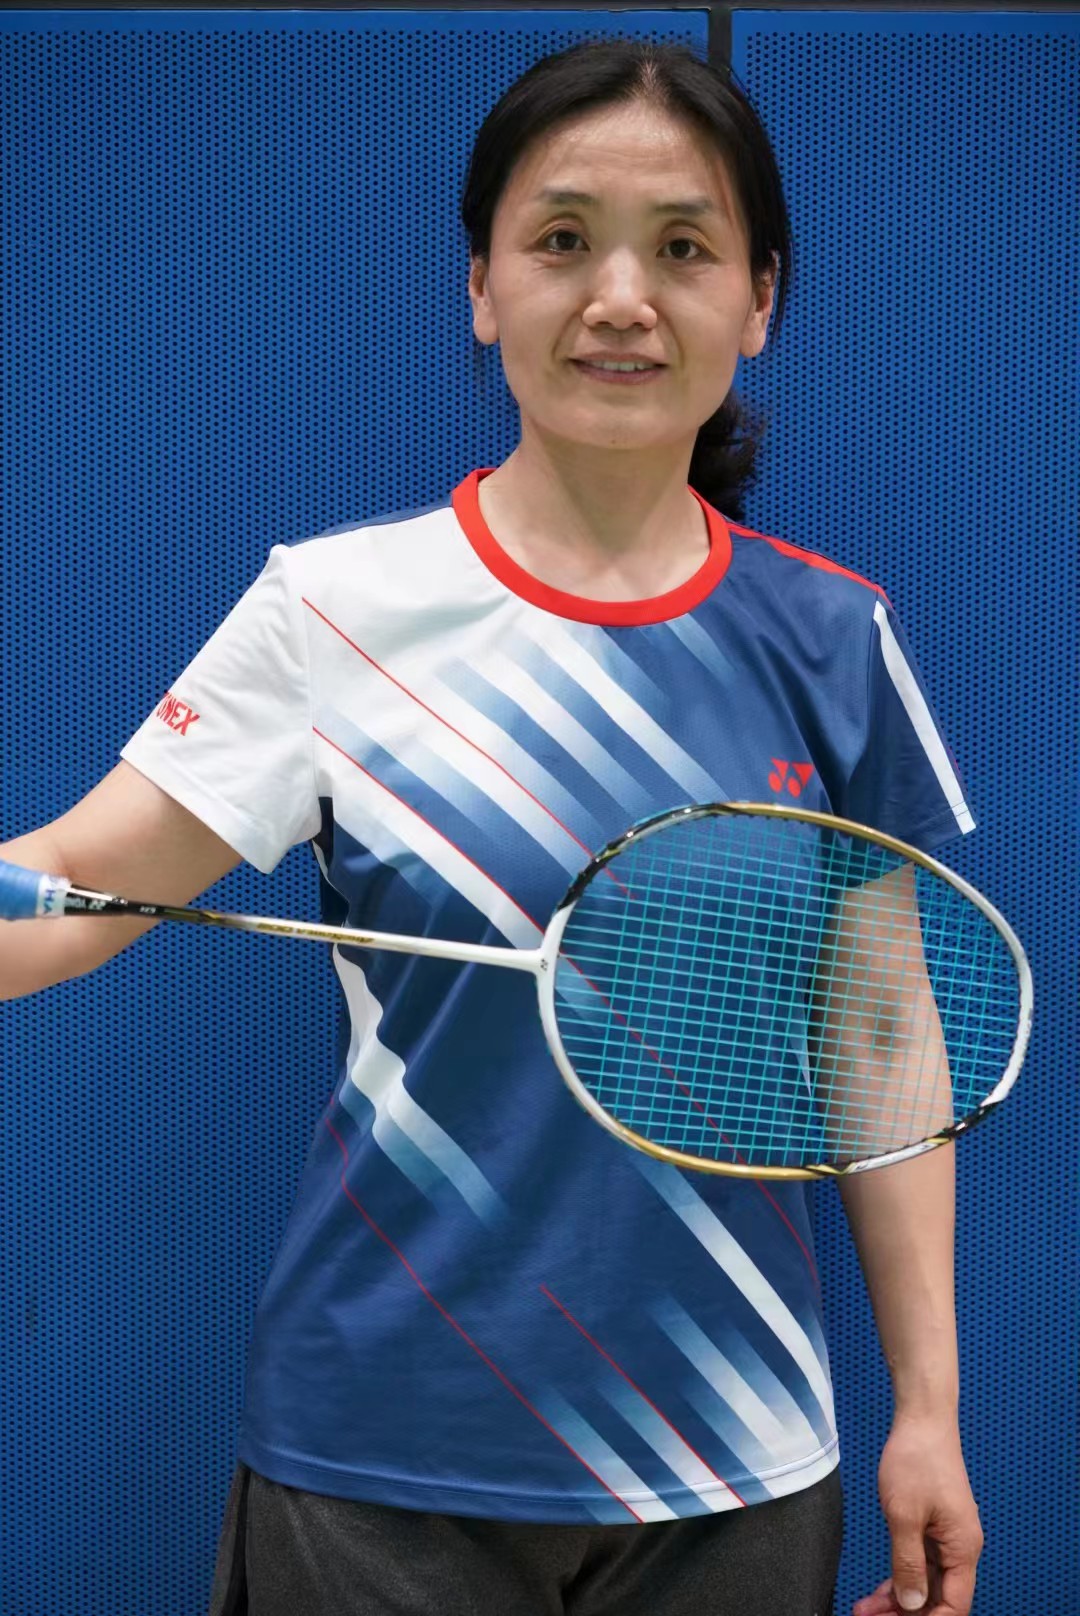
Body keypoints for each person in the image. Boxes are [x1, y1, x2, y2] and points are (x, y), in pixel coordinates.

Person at [0, 39, 985, 1616]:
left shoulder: (833, 641)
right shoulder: (335, 612)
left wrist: (928, 1411)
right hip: (377, 1470)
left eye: (683, 249)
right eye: (562, 240)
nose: (620, 298)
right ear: (482, 287)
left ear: (759, 301)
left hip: (731, 1463)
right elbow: (76, 888)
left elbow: (879, 1035)